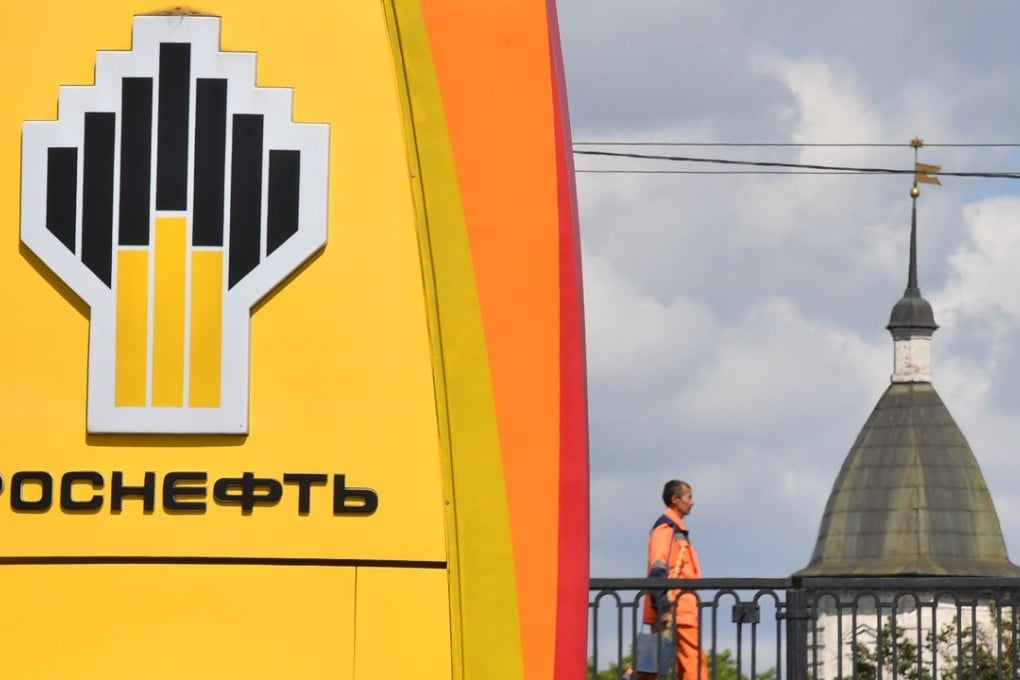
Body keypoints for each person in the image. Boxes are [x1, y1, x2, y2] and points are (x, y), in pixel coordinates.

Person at [639, 480, 709, 680]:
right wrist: (663, 607)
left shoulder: (674, 529)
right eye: (689, 497)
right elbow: (658, 569)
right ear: (675, 500)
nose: (692, 502)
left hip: (678, 609)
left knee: (661, 663)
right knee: (692, 662)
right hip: (675, 609)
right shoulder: (666, 528)